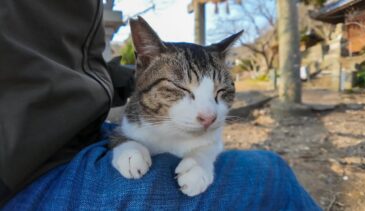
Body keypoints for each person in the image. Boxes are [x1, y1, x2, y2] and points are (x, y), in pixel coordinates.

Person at [0, 0, 321, 210]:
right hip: (20, 173)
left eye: (221, 94)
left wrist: (202, 161)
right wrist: (129, 147)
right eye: (183, 91)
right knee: (273, 176)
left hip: (71, 139)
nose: (209, 115)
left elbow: (83, 66)